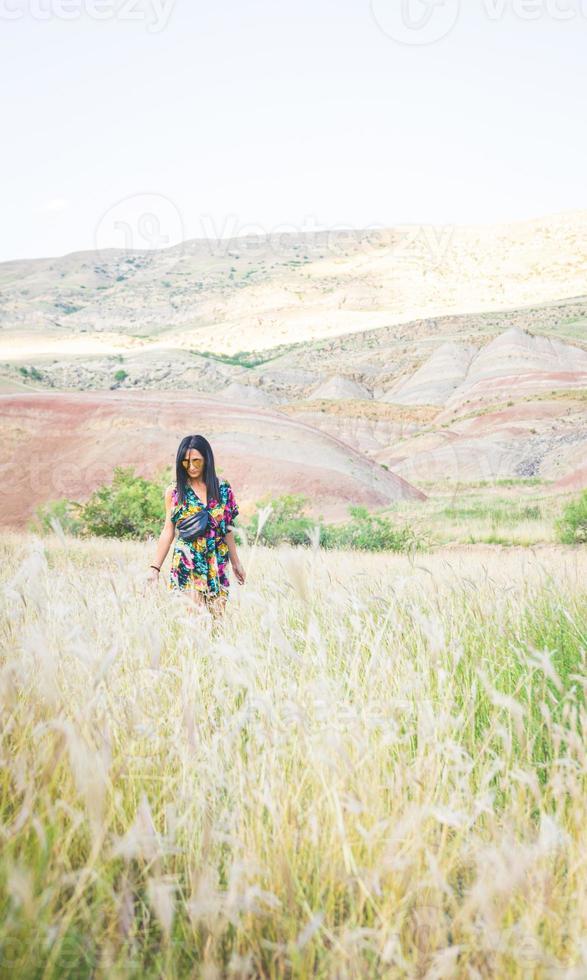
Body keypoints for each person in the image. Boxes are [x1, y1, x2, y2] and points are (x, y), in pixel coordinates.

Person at [148, 434, 246, 620]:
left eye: (196, 461)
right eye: (185, 462)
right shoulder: (175, 491)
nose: (191, 467)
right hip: (188, 561)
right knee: (195, 622)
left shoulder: (223, 489)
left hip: (217, 561)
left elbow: (228, 530)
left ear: (206, 459)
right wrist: (155, 568)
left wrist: (236, 563)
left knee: (217, 622)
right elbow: (168, 530)